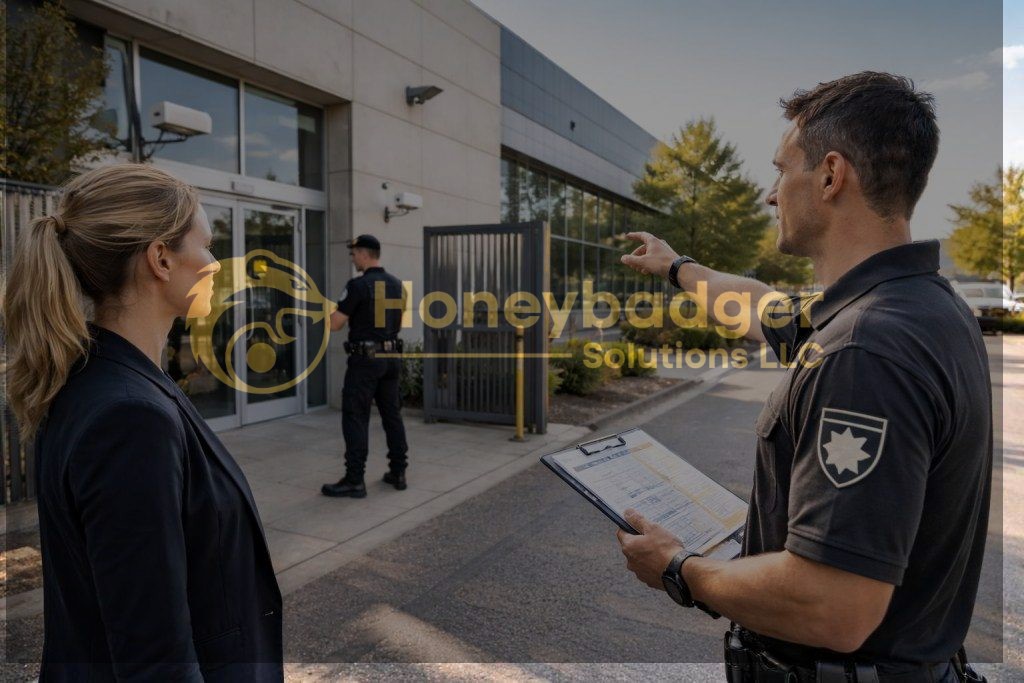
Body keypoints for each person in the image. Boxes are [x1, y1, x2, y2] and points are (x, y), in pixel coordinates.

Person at [616, 72, 990, 682]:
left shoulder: (864, 350)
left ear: (830, 175)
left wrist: (678, 569)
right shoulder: (921, 306)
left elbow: (832, 607)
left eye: (780, 170)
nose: (770, 194)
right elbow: (760, 307)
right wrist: (675, 267)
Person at [3, 164, 283, 681]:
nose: (217, 264)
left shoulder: (98, 378)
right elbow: (154, 657)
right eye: (206, 245)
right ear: (159, 258)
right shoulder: (128, 416)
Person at [321, 234, 409, 498]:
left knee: (356, 416)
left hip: (365, 362)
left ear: (364, 254)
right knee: (391, 415)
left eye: (354, 254)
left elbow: (335, 323)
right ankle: (398, 471)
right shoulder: (397, 285)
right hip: (391, 359)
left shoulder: (358, 285)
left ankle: (354, 480)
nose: (352, 259)